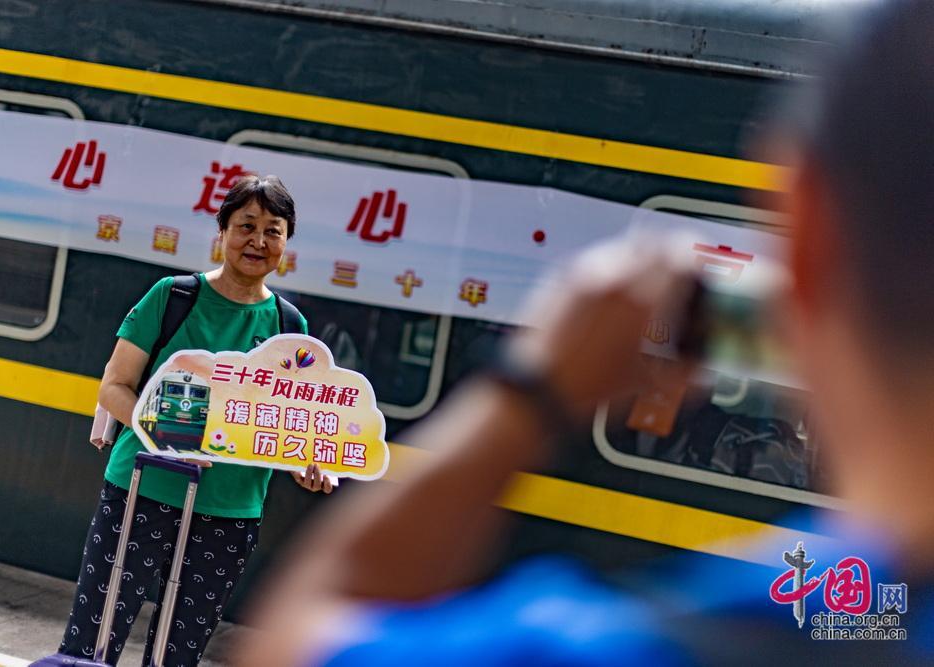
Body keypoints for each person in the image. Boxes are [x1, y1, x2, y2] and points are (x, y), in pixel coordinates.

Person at [233, 1, 934, 664]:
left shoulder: (665, 643)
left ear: (806, 237)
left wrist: (529, 395)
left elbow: (299, 643)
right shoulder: (867, 611)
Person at [57, 174, 333, 666]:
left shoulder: (290, 328)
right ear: (222, 231)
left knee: (176, 656)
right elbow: (114, 387)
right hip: (141, 493)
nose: (258, 241)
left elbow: (285, 426)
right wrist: (168, 434)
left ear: (286, 243)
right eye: (246, 226)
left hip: (229, 512)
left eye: (273, 231)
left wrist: (305, 461)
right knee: (90, 644)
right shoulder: (173, 297)